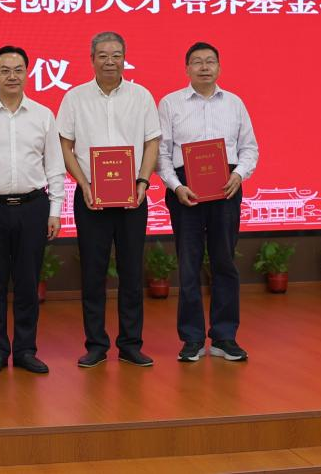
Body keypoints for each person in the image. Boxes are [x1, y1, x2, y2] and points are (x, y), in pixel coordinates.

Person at [0, 45, 66, 375]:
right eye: (4, 70)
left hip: (33, 207)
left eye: (18, 70)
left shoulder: (43, 115)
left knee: (28, 283)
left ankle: (25, 350)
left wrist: (55, 210)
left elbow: (54, 166)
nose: (12, 76)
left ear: (27, 73)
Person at [57, 31, 160, 369]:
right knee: (93, 272)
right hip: (91, 198)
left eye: (116, 55)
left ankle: (130, 344)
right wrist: (83, 183)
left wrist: (143, 181)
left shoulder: (141, 96)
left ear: (124, 58)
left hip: (133, 198)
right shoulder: (75, 98)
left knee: (131, 272)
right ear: (92, 60)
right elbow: (64, 145)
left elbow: (152, 142)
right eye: (103, 55)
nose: (110, 61)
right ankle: (96, 344)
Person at [157, 41, 259, 363]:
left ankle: (224, 338)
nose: (204, 67)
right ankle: (192, 339)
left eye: (210, 61)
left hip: (226, 187)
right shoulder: (170, 103)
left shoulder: (234, 103)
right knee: (188, 265)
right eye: (197, 62)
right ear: (186, 68)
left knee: (224, 263)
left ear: (219, 67)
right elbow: (161, 153)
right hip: (184, 189)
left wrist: (239, 174)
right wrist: (176, 186)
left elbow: (249, 148)